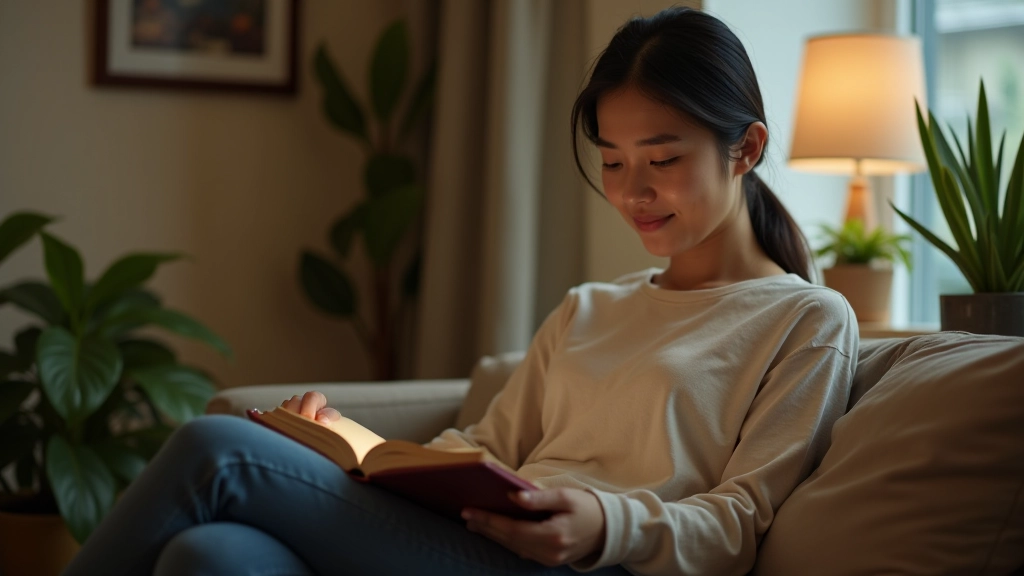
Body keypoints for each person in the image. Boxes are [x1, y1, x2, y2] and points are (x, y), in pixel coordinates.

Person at [63, 7, 856, 576]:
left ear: (744, 148)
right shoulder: (591, 307)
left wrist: (604, 524)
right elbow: (483, 450)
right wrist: (352, 443)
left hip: (585, 562)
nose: (632, 191)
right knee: (213, 555)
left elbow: (741, 522)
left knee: (216, 448)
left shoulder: (804, 320)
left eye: (662, 158)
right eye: (612, 162)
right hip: (475, 537)